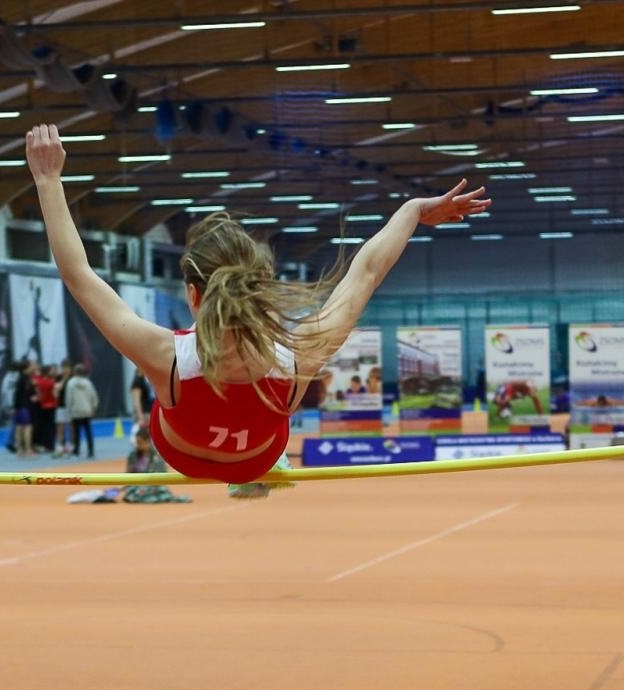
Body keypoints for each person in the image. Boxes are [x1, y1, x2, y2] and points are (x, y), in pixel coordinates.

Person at [24, 121, 488, 488]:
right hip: (256, 457)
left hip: (182, 454)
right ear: (260, 289)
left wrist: (48, 180)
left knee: (169, 402)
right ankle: (265, 465)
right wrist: (411, 211)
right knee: (274, 424)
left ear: (192, 294)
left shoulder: (165, 356)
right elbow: (365, 271)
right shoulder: (298, 353)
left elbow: (78, 274)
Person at [62, 363, 99, 458]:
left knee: (76, 433)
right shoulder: (88, 383)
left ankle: (76, 452)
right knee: (88, 432)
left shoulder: (70, 383)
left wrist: (68, 409)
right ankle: (91, 451)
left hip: (75, 412)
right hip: (87, 411)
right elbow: (94, 397)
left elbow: (68, 398)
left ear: (74, 372)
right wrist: (93, 408)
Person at [31, 362, 58, 455]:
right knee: (51, 427)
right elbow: (55, 395)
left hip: (42, 406)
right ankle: (50, 446)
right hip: (51, 406)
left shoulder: (39, 382)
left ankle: (43, 444)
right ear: (48, 372)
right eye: (51, 370)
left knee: (44, 427)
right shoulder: (52, 382)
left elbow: (39, 395)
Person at [11, 360, 37, 457]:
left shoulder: (22, 378)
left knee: (19, 427)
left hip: (20, 406)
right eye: (31, 366)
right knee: (27, 427)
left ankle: (20, 449)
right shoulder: (24, 378)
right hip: (23, 406)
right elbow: (18, 394)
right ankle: (27, 449)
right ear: (27, 368)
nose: (33, 367)